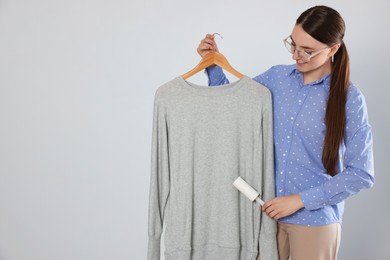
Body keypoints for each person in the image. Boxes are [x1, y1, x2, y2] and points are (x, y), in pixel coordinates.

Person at [196, 5, 374, 260]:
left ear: (333, 49)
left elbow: (362, 173)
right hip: (265, 217)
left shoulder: (349, 98)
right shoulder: (276, 78)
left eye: (307, 51)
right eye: (293, 45)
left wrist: (300, 200)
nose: (296, 56)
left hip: (316, 223)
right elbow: (231, 106)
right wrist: (212, 63)